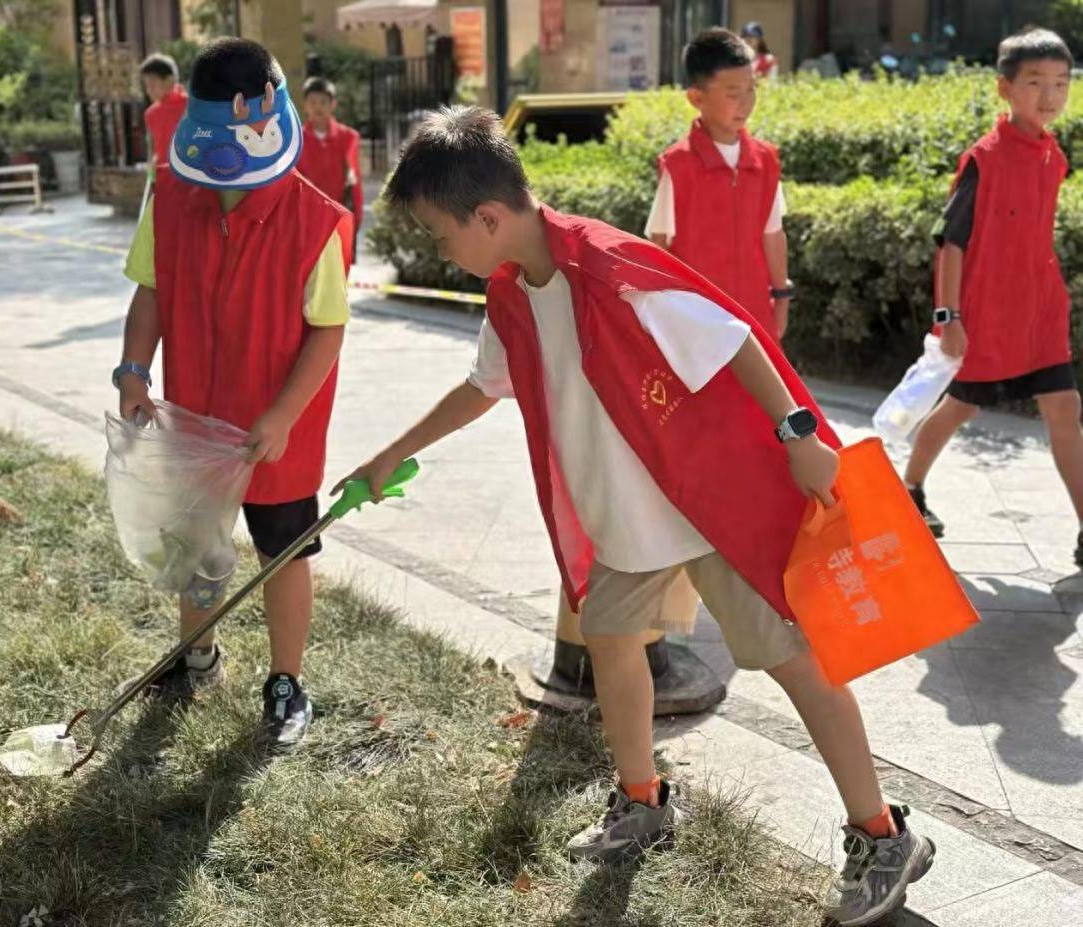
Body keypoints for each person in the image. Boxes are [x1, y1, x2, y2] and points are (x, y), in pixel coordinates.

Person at [342, 105, 935, 926]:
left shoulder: (612, 267)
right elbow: (483, 385)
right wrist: (387, 455)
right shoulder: (513, 293)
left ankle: (881, 832)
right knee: (614, 648)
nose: (443, 252)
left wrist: (798, 432)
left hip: (711, 505)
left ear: (488, 217)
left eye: (443, 235)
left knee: (795, 662)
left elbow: (734, 336)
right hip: (625, 516)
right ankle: (643, 799)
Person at [114, 37, 354, 746]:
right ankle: (198, 658)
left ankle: (286, 680)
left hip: (277, 435)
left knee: (283, 554)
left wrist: (282, 413)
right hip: (195, 418)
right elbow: (150, 291)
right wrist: (133, 368)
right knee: (195, 548)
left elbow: (328, 330)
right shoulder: (172, 200)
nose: (230, 186)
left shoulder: (315, 224)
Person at [905, 28, 1083, 567]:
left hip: (1040, 315)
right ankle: (910, 487)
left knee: (1065, 410)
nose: (1049, 96)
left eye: (1061, 83)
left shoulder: (1053, 157)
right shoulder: (984, 159)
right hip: (987, 317)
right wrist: (949, 316)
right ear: (1005, 88)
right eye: (1035, 83)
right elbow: (951, 243)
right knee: (960, 406)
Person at [645, 29, 793, 341]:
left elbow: (773, 234)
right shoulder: (678, 165)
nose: (745, 103)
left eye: (751, 90)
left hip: (754, 319)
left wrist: (781, 297)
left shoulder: (765, 161)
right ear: (696, 98)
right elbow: (659, 248)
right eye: (733, 94)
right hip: (694, 325)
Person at [297, 76, 364, 260]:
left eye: (323, 102)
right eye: (312, 102)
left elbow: (354, 182)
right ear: (305, 105)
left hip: (338, 220)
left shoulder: (348, 138)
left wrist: (356, 219)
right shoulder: (296, 140)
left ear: (332, 104)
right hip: (307, 222)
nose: (318, 107)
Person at [139, 53, 188, 170]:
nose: (148, 91)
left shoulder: (192, 107)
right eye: (147, 85)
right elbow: (155, 150)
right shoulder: (150, 114)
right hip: (165, 177)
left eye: (152, 84)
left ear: (169, 81)